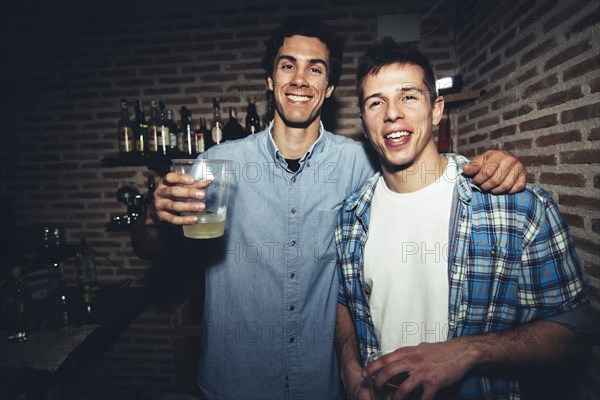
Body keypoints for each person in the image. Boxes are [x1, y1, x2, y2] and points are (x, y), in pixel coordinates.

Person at [132, 18, 527, 400]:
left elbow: (418, 167)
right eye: (288, 66)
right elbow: (152, 250)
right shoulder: (218, 162)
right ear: (271, 81)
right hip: (234, 384)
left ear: (330, 86)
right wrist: (152, 216)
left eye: (315, 69)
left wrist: (487, 164)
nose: (300, 79)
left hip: (322, 387)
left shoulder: (361, 164)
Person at [334, 37, 595, 400]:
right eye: (376, 102)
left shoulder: (516, 207)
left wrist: (469, 351)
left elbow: (574, 334)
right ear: (364, 122)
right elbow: (346, 301)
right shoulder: (350, 217)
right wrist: (349, 368)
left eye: (408, 96)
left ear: (436, 108)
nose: (392, 113)